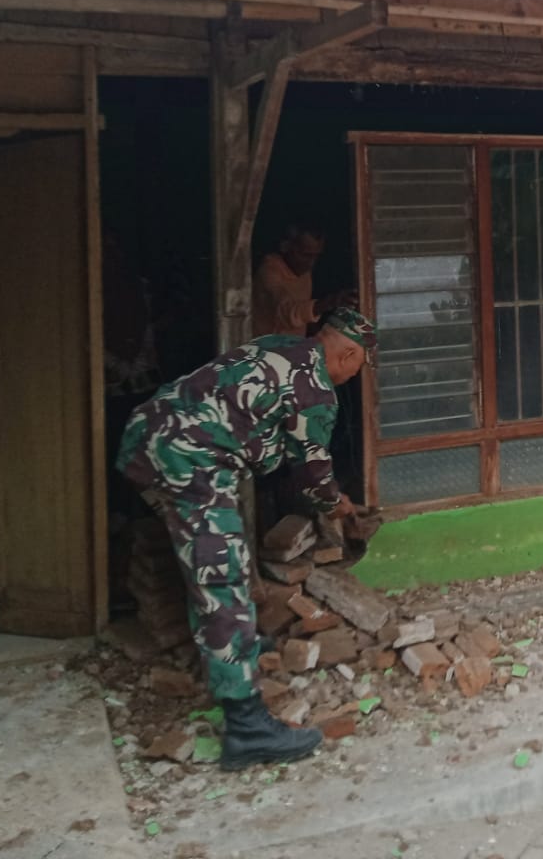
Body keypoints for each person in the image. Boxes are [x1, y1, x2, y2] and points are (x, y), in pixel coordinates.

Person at [116, 305, 378, 769]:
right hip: (190, 459)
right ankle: (247, 727)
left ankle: (233, 654)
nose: (355, 375)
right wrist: (338, 504)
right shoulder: (316, 389)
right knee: (223, 577)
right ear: (348, 355)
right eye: (359, 366)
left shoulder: (280, 345)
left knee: (208, 564)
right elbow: (313, 477)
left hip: (148, 437)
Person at [251, 224, 340, 338]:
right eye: (306, 255)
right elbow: (287, 313)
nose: (311, 263)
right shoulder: (269, 271)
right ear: (285, 246)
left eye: (316, 256)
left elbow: (304, 317)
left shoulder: (304, 272)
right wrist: (329, 302)